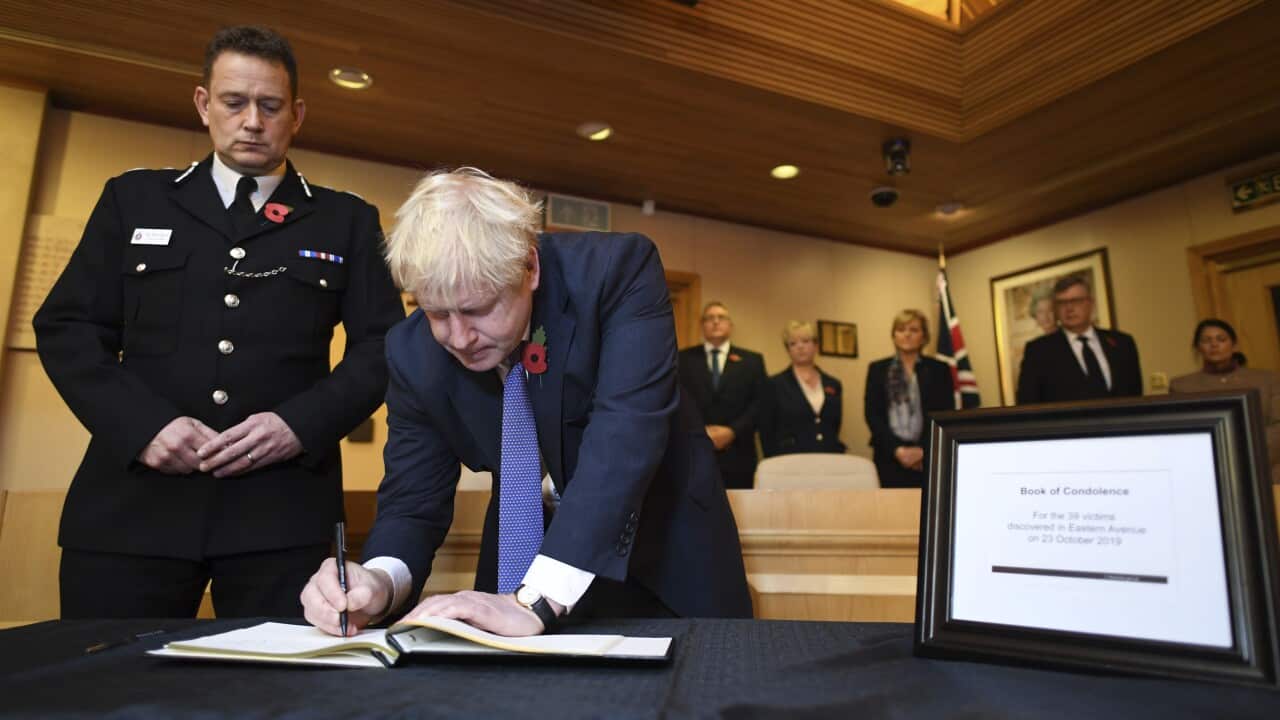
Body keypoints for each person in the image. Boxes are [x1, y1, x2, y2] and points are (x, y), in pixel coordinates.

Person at [33, 26, 405, 619]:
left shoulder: (345, 221)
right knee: (103, 693)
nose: (252, 121)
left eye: (270, 105)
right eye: (234, 102)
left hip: (281, 513)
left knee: (277, 697)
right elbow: (68, 326)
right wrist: (143, 424)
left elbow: (385, 345)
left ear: (297, 115)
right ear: (205, 105)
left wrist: (299, 424)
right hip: (131, 508)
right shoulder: (134, 200)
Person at [299, 168, 752, 638]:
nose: (458, 338)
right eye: (436, 312)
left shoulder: (617, 274)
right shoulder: (412, 352)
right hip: (521, 567)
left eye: (477, 309)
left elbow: (624, 438)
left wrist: (537, 598)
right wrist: (379, 580)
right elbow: (413, 498)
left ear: (529, 268)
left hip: (666, 561)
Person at [1170, 319, 1280, 484]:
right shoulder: (1182, 386)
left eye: (1221, 339)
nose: (1214, 345)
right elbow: (1183, 432)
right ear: (1198, 347)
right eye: (1206, 340)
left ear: (1234, 345)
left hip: (1267, 470)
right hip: (1211, 473)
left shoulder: (1267, 379)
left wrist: (1249, 456)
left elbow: (1277, 426)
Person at [676, 302, 768, 488]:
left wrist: (732, 431)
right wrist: (701, 431)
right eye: (709, 318)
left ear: (730, 325)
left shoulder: (752, 361)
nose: (715, 322)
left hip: (739, 454)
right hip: (695, 451)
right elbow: (677, 400)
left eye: (721, 317)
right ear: (702, 326)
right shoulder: (682, 359)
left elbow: (761, 403)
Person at [863, 310, 955, 488]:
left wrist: (923, 450)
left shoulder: (939, 369)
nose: (906, 334)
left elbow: (945, 414)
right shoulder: (877, 369)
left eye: (913, 330)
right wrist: (897, 450)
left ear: (924, 336)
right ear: (894, 335)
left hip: (929, 456)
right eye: (901, 329)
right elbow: (872, 414)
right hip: (889, 456)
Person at [1016, 276, 1142, 404]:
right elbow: (1027, 405)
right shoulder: (1038, 351)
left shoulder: (1123, 343)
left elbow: (1136, 397)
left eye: (1076, 301)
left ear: (1090, 303)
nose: (1069, 308)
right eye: (1062, 303)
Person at [761, 321, 845, 456]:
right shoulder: (774, 384)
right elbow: (767, 433)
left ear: (816, 345)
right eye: (793, 343)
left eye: (805, 341)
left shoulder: (833, 384)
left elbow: (834, 426)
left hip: (828, 457)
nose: (800, 347)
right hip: (789, 460)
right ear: (788, 350)